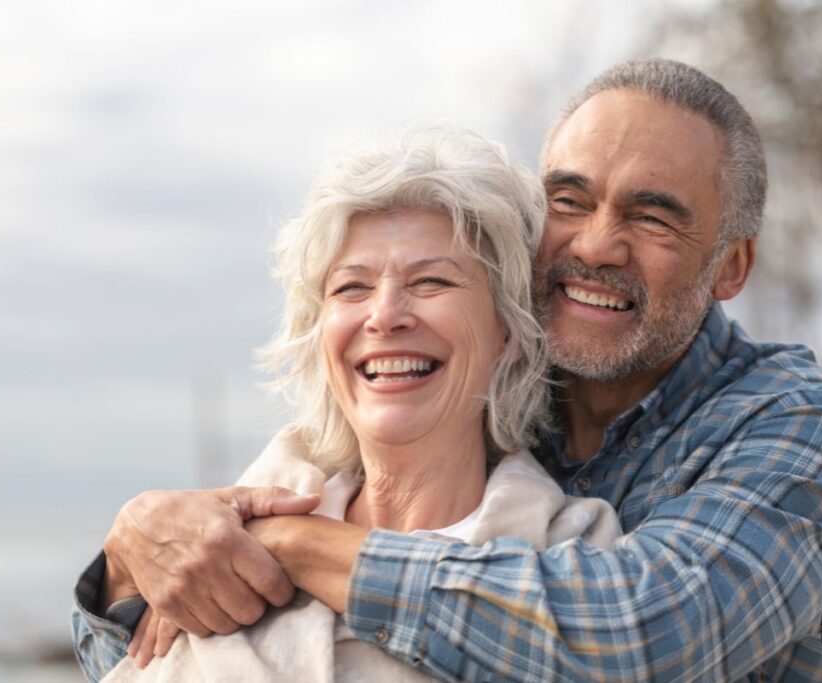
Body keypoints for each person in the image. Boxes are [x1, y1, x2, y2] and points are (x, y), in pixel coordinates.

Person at [75, 58, 822, 681]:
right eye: (569, 201)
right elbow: (141, 639)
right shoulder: (474, 396)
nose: (596, 245)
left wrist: (294, 545)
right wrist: (129, 554)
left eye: (651, 216)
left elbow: (647, 631)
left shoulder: (804, 424)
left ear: (731, 265)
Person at [73, 124, 622, 682]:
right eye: (351, 288)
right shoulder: (207, 548)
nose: (385, 315)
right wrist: (123, 561)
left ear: (507, 327)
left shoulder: (573, 556)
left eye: (431, 281)